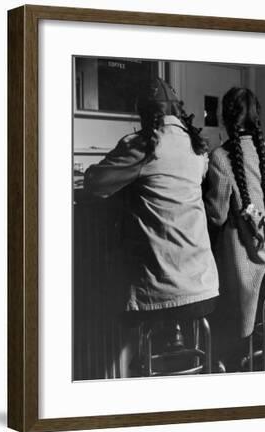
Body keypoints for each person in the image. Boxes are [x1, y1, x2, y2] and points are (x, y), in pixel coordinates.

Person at [84, 77, 219, 329]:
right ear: (179, 110)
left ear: (144, 113)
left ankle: (126, 366)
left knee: (105, 297)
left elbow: (94, 183)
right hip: (204, 286)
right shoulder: (198, 148)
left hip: (160, 293)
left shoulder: (142, 146)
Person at [203, 87, 265, 371]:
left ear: (226, 117)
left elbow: (217, 215)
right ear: (256, 116)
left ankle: (230, 358)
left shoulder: (220, 158)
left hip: (241, 253)